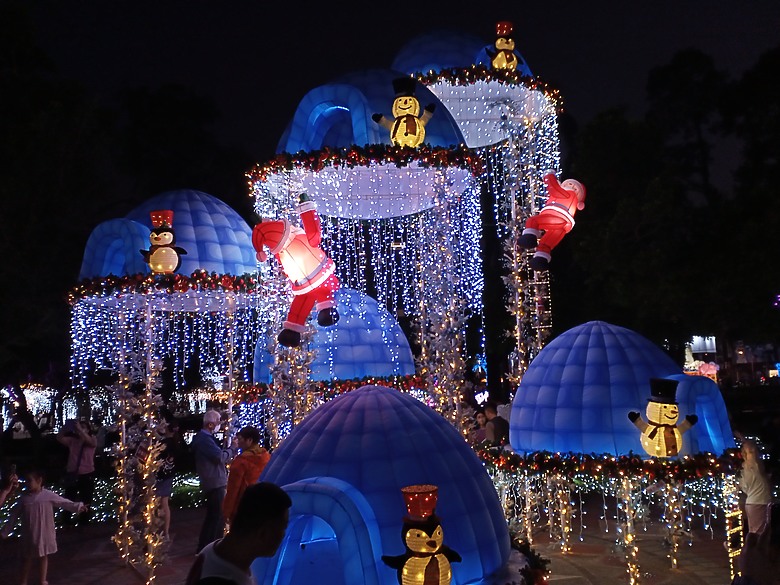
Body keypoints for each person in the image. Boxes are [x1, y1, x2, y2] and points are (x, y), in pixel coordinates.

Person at [186, 482, 292, 585]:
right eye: (283, 527)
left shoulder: (214, 550)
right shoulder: (223, 579)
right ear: (262, 534)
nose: (283, 535)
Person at [0, 469, 86, 585]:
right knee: (26, 559)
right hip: (29, 535)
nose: (27, 483)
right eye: (26, 481)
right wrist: (5, 532)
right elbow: (13, 516)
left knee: (43, 556)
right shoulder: (24, 499)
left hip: (44, 533)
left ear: (39, 481)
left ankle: (42, 580)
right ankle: (23, 582)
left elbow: (63, 502)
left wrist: (78, 506)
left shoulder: (48, 495)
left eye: (29, 481)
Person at [191, 410, 238, 553]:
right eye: (218, 423)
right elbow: (219, 457)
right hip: (215, 481)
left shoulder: (205, 439)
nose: (219, 426)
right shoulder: (204, 440)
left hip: (213, 480)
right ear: (210, 424)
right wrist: (232, 448)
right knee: (217, 516)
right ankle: (211, 547)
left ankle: (206, 546)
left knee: (213, 515)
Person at [223, 426, 271, 524]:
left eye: (240, 439)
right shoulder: (266, 457)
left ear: (249, 440)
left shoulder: (241, 462)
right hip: (263, 504)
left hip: (243, 506)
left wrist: (227, 511)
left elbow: (233, 489)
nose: (238, 442)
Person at [56, 418, 97, 525]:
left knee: (86, 500)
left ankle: (83, 523)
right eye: (79, 427)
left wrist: (80, 430)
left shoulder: (92, 439)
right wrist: (66, 428)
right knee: (69, 499)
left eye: (84, 427)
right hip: (72, 474)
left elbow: (91, 443)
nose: (80, 429)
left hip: (87, 474)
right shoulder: (73, 440)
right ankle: (67, 522)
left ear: (88, 429)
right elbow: (59, 438)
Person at [738, 439, 772, 537]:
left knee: (755, 531)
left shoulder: (744, 468)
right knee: (759, 533)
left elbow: (743, 487)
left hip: (753, 502)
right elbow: (750, 447)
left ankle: (752, 549)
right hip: (759, 502)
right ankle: (753, 550)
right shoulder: (754, 466)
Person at [155, 420, 182, 540]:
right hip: (169, 474)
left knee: (157, 504)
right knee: (164, 503)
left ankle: (157, 529)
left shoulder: (164, 443)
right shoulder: (176, 442)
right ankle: (165, 532)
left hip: (160, 475)